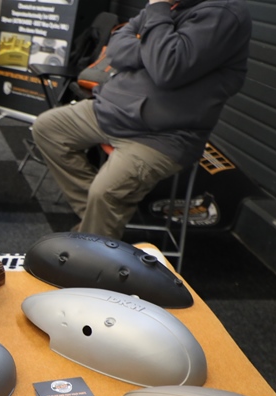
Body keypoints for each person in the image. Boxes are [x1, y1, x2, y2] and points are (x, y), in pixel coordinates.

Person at [31, 0, 252, 239]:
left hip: (162, 136)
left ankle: (95, 238)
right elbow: (116, 47)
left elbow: (167, 68)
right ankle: (98, 218)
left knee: (105, 192)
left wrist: (157, 18)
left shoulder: (222, 14)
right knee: (47, 128)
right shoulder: (169, 6)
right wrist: (152, 52)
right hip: (112, 110)